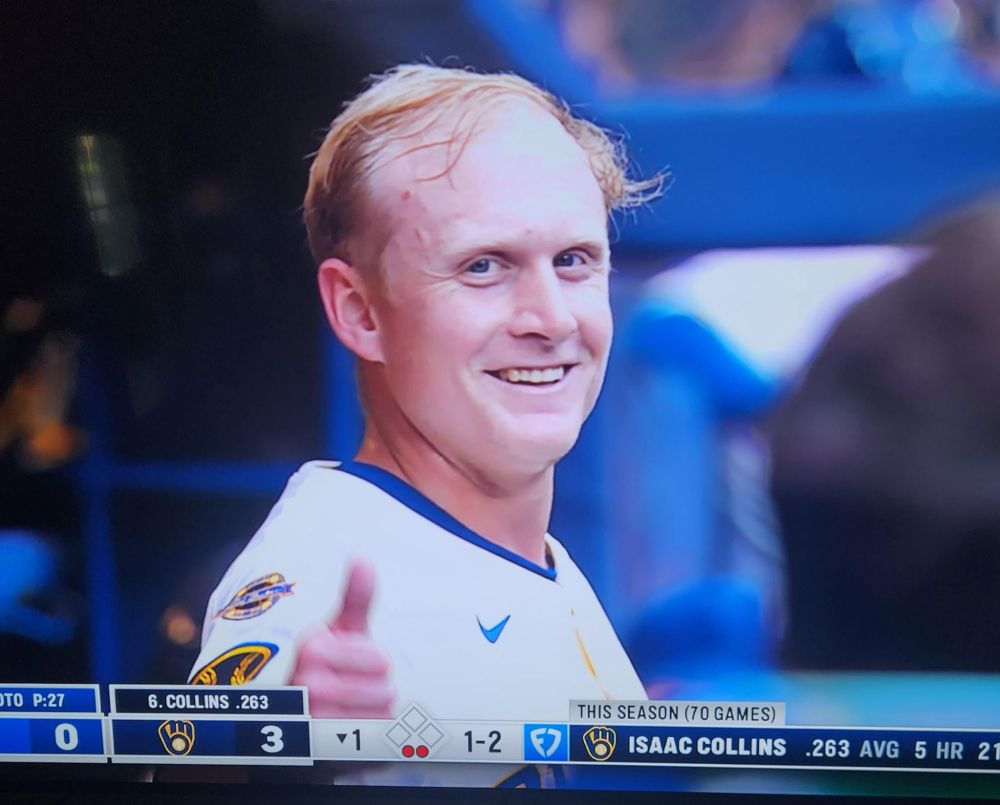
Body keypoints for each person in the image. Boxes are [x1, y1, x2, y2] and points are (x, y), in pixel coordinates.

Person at [188, 63, 661, 784]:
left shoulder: (533, 559)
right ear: (359, 310)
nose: (552, 318)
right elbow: (203, 759)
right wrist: (279, 753)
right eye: (483, 266)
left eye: (573, 261)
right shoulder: (322, 569)